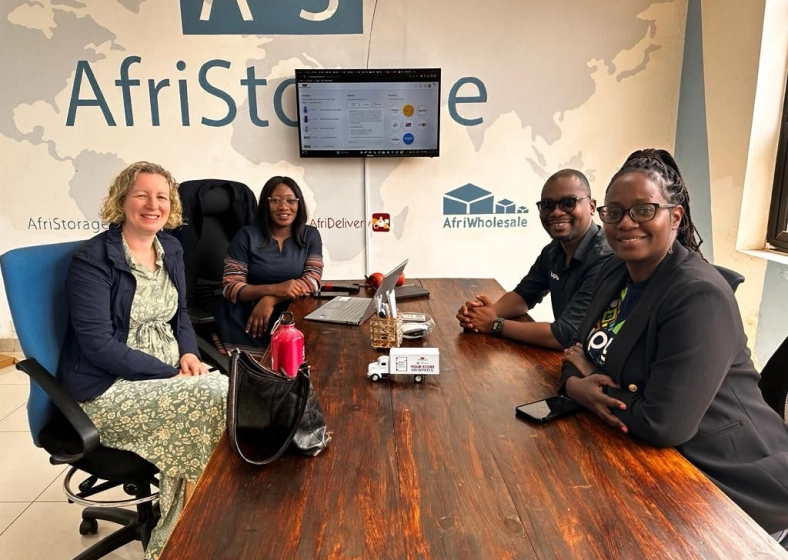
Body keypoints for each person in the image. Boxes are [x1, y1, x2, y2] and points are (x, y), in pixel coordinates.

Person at [561, 149, 788, 543]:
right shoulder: (615, 270)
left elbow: (665, 424)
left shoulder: (698, 296)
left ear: (675, 217)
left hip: (731, 482)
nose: (626, 222)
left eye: (644, 210)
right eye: (613, 212)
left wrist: (588, 387)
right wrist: (574, 384)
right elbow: (577, 349)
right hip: (650, 459)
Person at [58, 162, 228, 559]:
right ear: (122, 200)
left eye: (162, 197)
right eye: (141, 195)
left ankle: (195, 530)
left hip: (170, 375)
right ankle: (186, 543)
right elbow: (98, 345)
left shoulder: (170, 247)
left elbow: (181, 314)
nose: (153, 205)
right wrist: (173, 374)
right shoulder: (92, 261)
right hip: (106, 388)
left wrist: (188, 352)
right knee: (217, 399)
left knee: (230, 399)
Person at [456, 169, 613, 350]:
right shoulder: (553, 251)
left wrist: (494, 324)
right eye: (547, 205)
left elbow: (565, 335)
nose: (556, 212)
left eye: (568, 203)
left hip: (599, 368)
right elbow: (524, 295)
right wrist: (484, 313)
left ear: (592, 206)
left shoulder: (605, 258)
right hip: (571, 360)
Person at [213, 176, 323, 361]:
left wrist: (270, 299)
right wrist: (273, 289)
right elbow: (230, 286)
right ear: (266, 204)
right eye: (276, 201)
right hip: (246, 320)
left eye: (290, 200)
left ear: (299, 204)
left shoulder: (310, 235)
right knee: (258, 379)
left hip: (292, 315)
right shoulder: (246, 236)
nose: (284, 207)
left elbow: (312, 280)